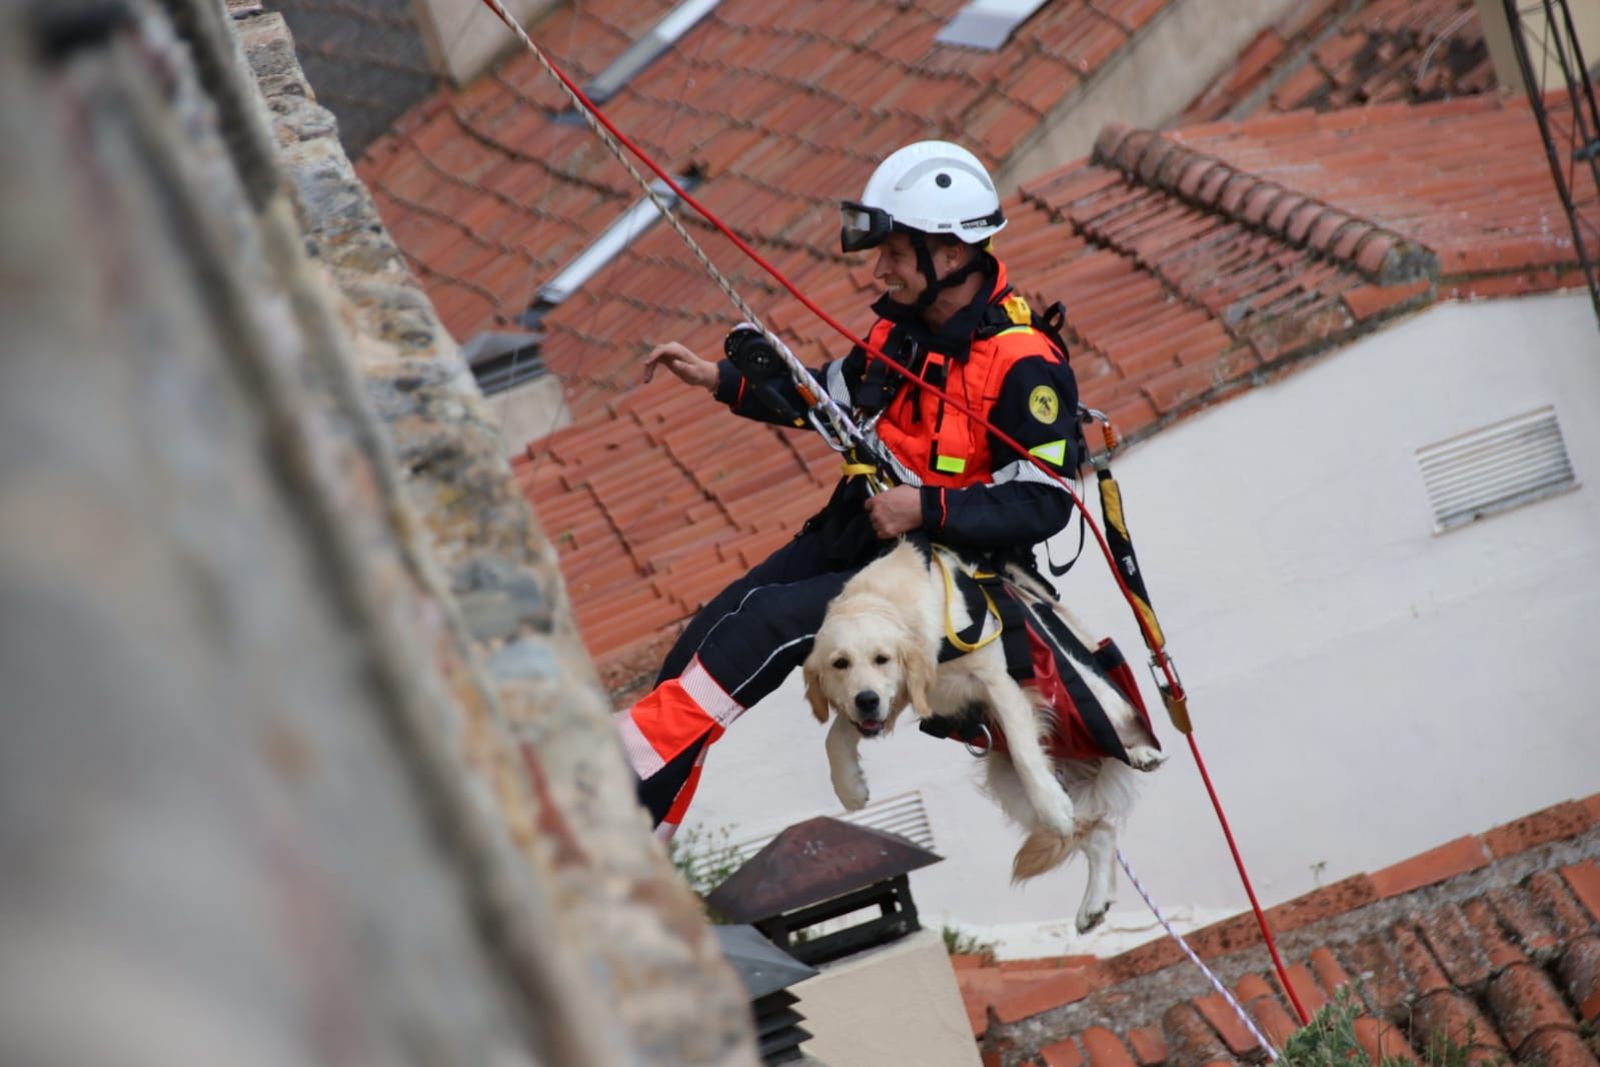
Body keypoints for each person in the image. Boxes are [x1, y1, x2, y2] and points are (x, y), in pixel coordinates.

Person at [619, 140, 1082, 838]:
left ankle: (600, 772)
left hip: (947, 578)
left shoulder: (1025, 365)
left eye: (896, 251)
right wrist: (722, 380)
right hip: (859, 538)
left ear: (951, 254)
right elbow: (825, 401)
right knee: (706, 638)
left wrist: (924, 506)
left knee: (766, 626)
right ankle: (637, 828)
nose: (880, 267)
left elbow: (1045, 500)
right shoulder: (901, 335)